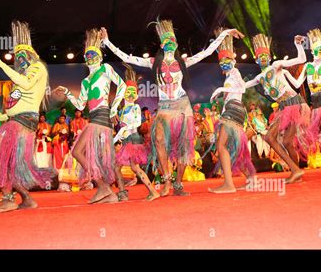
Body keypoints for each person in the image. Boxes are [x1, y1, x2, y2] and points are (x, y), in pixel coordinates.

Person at [101, 22, 240, 196]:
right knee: (159, 139)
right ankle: (167, 181)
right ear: (161, 44)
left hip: (182, 105)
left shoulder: (183, 62)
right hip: (165, 107)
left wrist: (225, 32)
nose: (170, 44)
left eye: (173, 41)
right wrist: (106, 42)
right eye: (167, 41)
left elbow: (207, 52)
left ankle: (179, 185)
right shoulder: (153, 63)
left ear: (176, 44)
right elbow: (127, 58)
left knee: (184, 145)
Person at [0, 20, 55, 213]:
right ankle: (27, 199)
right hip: (16, 120)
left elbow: (27, 85)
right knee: (7, 164)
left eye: (23, 56)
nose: (19, 59)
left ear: (31, 56)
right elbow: (14, 106)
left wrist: (1, 65)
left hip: (23, 122)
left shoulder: (37, 68)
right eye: (17, 57)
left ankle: (7, 198)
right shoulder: (18, 80)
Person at [55, 28, 126, 204]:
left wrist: (114, 108)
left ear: (100, 56)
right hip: (94, 118)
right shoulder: (85, 81)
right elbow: (80, 105)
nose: (90, 57)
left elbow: (122, 85)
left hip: (102, 116)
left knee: (78, 151)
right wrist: (67, 93)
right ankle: (110, 192)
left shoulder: (105, 68)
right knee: (99, 157)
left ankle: (105, 188)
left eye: (93, 54)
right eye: (87, 55)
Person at [245, 33, 310, 184]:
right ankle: (297, 173)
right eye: (260, 56)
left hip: (294, 104)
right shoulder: (259, 78)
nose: (263, 58)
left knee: (269, 137)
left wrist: (298, 44)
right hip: (285, 107)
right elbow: (242, 86)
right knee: (287, 142)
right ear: (255, 59)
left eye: (265, 55)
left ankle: (295, 170)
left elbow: (301, 60)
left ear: (270, 57)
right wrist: (222, 89)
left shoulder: (276, 66)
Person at [284, 29, 321, 177]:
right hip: (316, 100)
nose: (320, 52)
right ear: (311, 50)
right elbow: (298, 83)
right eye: (317, 49)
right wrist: (285, 73)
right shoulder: (307, 66)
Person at [208, 26, 255, 193]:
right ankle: (251, 179)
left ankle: (229, 185)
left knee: (221, 146)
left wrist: (219, 91)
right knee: (233, 147)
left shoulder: (234, 72)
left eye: (227, 61)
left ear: (233, 62)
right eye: (222, 62)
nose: (224, 64)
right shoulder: (230, 76)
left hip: (234, 110)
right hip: (235, 110)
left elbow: (242, 88)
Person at [113, 64, 159, 201]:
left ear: (137, 94)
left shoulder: (136, 107)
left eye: (133, 92)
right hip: (127, 141)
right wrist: (119, 134)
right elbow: (122, 128)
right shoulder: (121, 111)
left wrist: (124, 129)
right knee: (131, 168)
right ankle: (127, 192)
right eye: (128, 91)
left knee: (125, 167)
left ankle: (124, 193)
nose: (131, 95)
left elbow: (137, 123)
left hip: (133, 141)